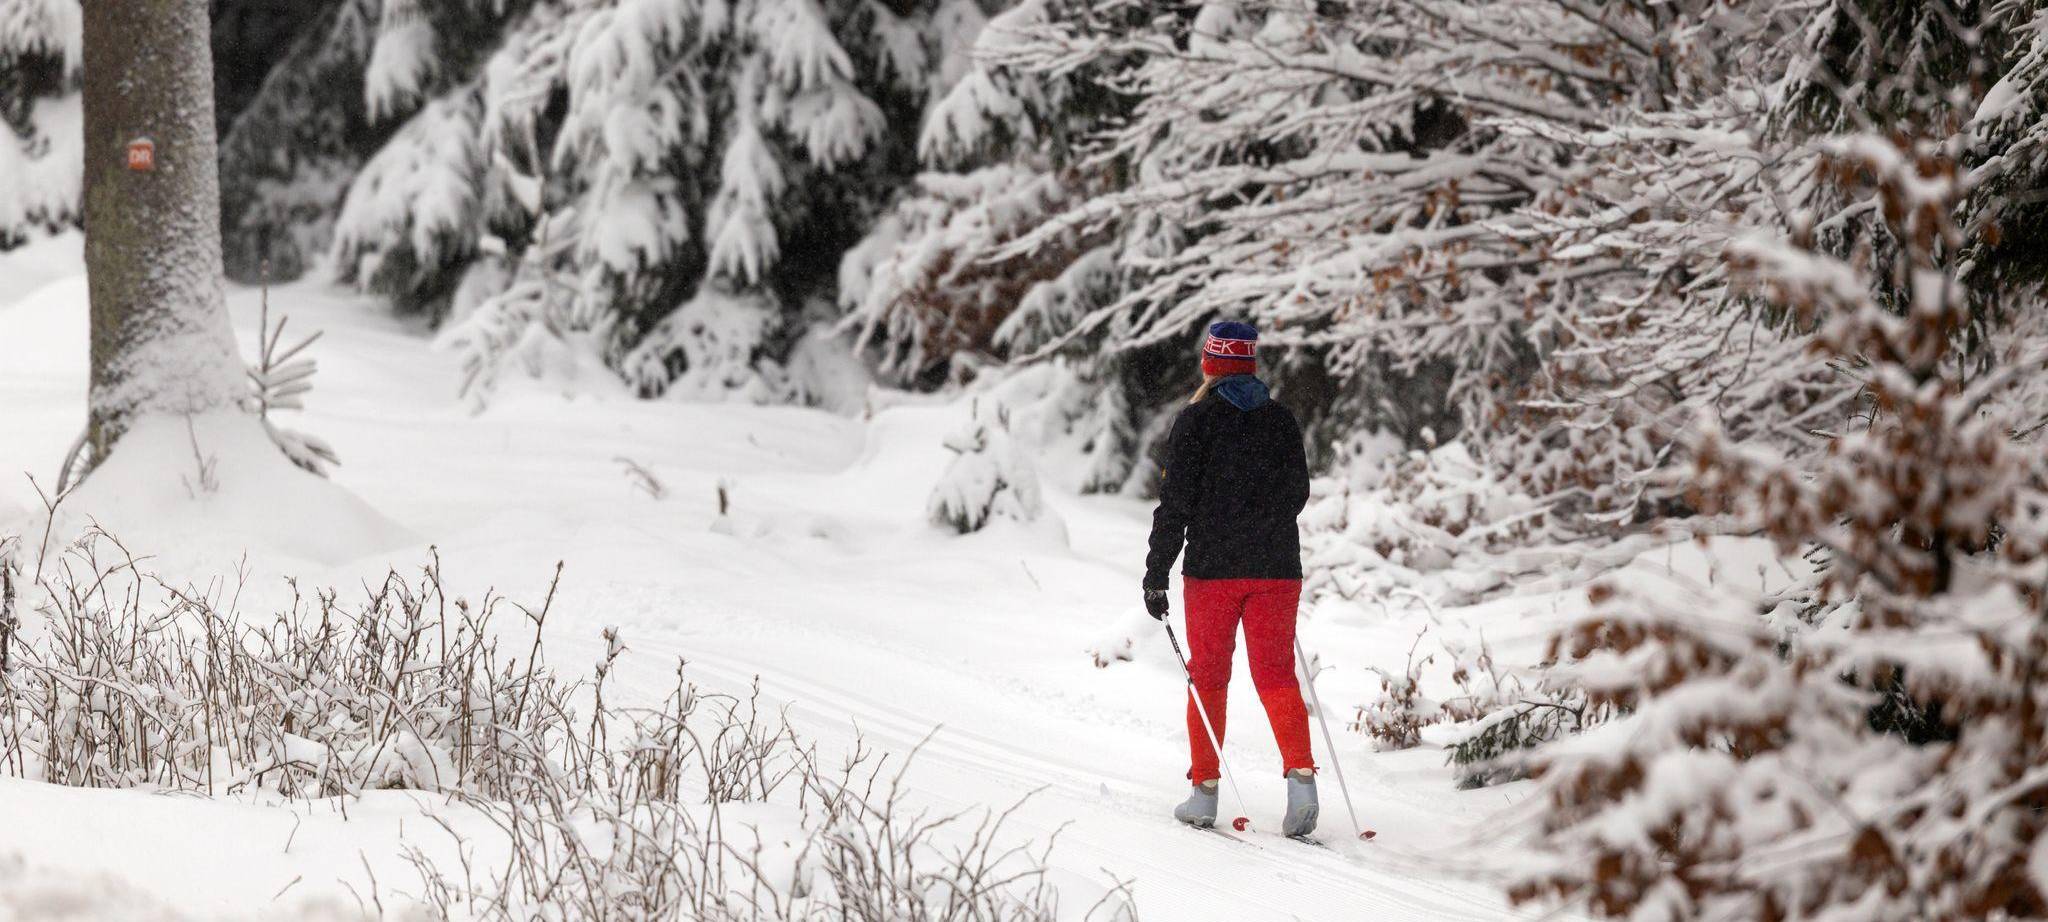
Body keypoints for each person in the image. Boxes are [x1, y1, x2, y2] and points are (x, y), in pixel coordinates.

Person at [1142, 320, 1317, 836]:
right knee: (1278, 676)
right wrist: (1262, 519)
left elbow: (1174, 505)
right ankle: (1303, 783)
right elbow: (1298, 494)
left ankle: (1203, 794)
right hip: (1277, 570)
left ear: (1210, 364)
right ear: (1250, 364)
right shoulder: (1282, 420)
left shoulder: (1195, 422)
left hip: (1213, 572)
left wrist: (1157, 571)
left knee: (1209, 679)